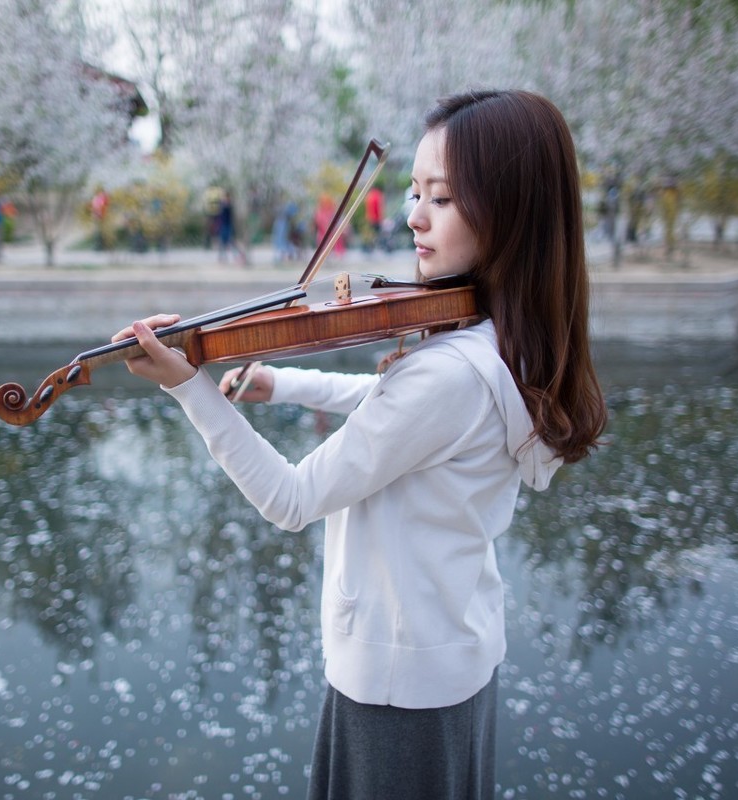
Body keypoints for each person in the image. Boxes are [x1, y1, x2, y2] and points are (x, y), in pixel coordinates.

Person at [113, 89, 607, 799]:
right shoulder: (502, 341)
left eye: (441, 197)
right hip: (451, 657)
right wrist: (283, 385)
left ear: (512, 210)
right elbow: (401, 421)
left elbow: (291, 498)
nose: (412, 216)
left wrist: (187, 386)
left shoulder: (446, 374)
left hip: (398, 685)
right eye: (413, 190)